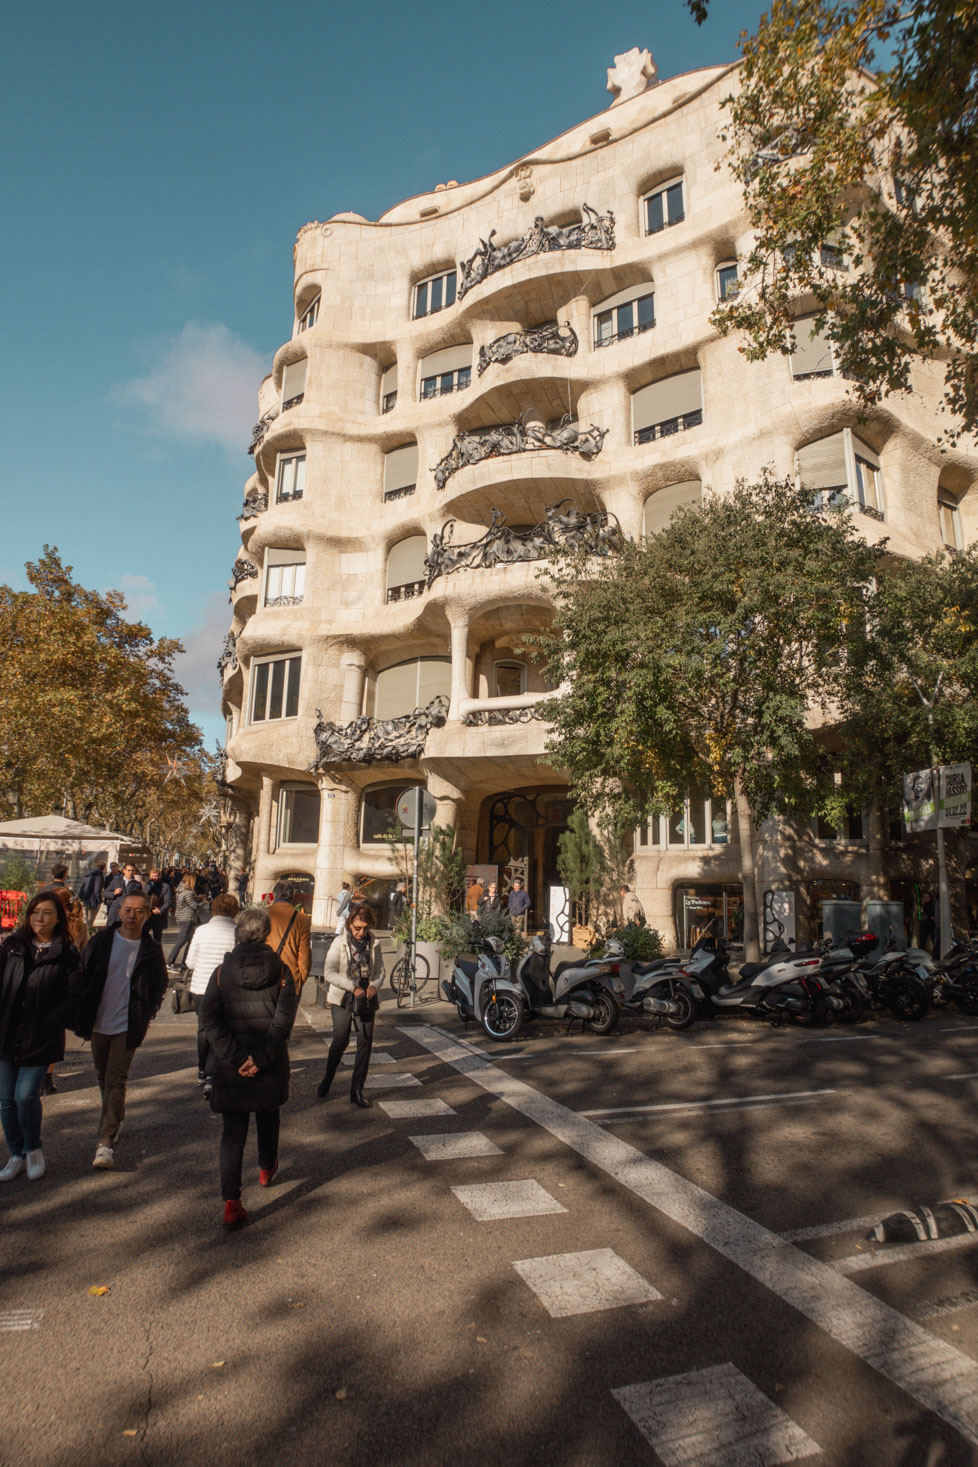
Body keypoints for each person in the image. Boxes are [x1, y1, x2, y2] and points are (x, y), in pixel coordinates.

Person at [201, 905, 297, 1230]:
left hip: (231, 1069)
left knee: (233, 1131)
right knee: (269, 1116)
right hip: (267, 1065)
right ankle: (267, 1168)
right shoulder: (283, 973)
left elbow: (209, 1021)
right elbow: (283, 1025)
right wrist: (258, 1059)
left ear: (237, 933)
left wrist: (236, 1057)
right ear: (266, 933)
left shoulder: (220, 973)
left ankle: (231, 1202)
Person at [75, 891, 168, 1169]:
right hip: (98, 1022)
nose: (132, 915)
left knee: (116, 1080)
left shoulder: (151, 949)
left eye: (139, 911)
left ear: (147, 914)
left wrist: (148, 1011)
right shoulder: (101, 941)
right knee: (103, 1077)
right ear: (119, 912)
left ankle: (105, 1143)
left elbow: (160, 984)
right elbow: (83, 974)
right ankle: (117, 1117)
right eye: (127, 910)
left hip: (128, 1025)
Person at [0, 893, 83, 1181]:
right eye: (35, 912)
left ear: (58, 917)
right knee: (5, 1100)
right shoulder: (12, 946)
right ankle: (16, 1153)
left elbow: (74, 996)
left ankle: (33, 1147)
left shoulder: (67, 953)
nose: (40, 918)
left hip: (41, 1035)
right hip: (7, 1033)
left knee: (25, 1096)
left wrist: (50, 1020)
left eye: (47, 913)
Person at [317, 904, 384, 1107]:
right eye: (357, 927)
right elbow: (329, 972)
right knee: (340, 1039)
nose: (360, 932)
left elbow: (380, 971)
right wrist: (351, 987)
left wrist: (374, 986)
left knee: (365, 1040)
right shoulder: (339, 943)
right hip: (343, 994)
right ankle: (328, 1078)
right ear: (350, 924)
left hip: (366, 995)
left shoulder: (374, 943)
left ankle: (357, 1090)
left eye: (365, 928)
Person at [185, 893, 239, 1096]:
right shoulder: (236, 931)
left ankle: (201, 1069)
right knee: (223, 1029)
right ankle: (212, 1071)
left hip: (201, 987)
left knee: (203, 1029)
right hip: (226, 987)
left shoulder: (201, 931)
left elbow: (190, 962)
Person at [265, 881, 312, 998]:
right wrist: (300, 980)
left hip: (265, 976)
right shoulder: (302, 919)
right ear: (292, 896)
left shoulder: (263, 914)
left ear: (274, 895)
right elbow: (304, 956)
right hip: (289, 978)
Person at [170, 874, 202, 971]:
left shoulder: (181, 890)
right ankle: (169, 962)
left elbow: (187, 902)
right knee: (181, 941)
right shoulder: (188, 892)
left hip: (182, 918)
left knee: (190, 942)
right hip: (187, 919)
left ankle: (185, 962)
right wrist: (204, 902)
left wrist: (197, 898)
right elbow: (194, 906)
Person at [145, 869, 174, 944]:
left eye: (155, 876)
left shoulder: (165, 886)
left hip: (158, 915)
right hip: (146, 915)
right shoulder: (146, 885)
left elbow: (168, 901)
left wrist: (160, 910)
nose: (154, 878)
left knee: (157, 938)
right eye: (152, 876)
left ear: (159, 876)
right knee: (143, 935)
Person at [78, 861, 106, 929]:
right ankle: (87, 937)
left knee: (85, 920)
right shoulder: (99, 875)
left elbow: (83, 887)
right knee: (90, 921)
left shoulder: (88, 874)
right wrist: (99, 901)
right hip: (93, 901)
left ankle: (83, 935)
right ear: (104, 868)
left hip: (85, 900)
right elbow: (97, 890)